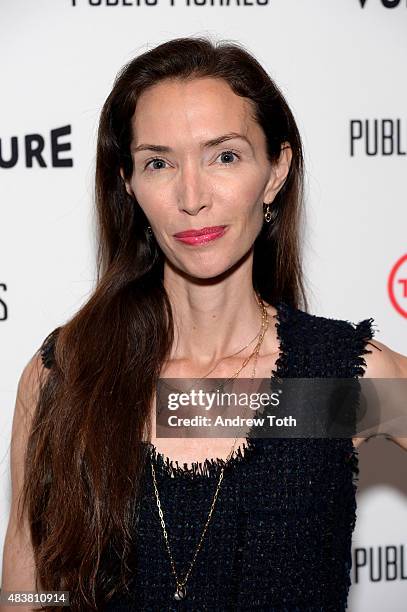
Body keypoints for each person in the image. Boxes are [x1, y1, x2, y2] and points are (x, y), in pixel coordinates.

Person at [1, 36, 406, 612]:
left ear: (275, 172)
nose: (192, 197)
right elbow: (26, 589)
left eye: (225, 156)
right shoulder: (63, 379)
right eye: (159, 163)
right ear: (128, 183)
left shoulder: (337, 381)